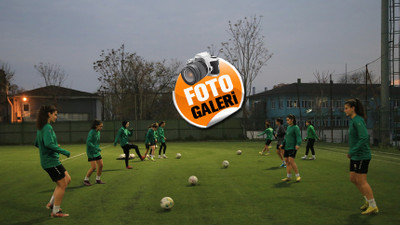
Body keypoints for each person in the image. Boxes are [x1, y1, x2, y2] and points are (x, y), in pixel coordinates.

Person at [34, 105, 71, 218]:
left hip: (52, 161)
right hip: (50, 162)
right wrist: (63, 151)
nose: (56, 117)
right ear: (49, 114)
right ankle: (55, 212)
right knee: (62, 184)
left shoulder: (42, 127)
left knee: (67, 179)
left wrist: (53, 146)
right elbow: (48, 144)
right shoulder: (47, 128)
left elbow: (37, 143)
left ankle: (51, 204)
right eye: (55, 114)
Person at [344, 98, 378, 215]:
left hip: (362, 155)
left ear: (353, 108)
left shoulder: (358, 120)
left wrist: (352, 151)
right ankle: (368, 201)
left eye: (346, 108)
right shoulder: (353, 121)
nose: (345, 110)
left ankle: (373, 205)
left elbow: (364, 138)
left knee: (361, 180)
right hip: (355, 156)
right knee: (353, 179)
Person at [280, 114, 301, 182]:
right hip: (287, 147)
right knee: (287, 161)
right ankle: (288, 177)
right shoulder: (288, 127)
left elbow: (298, 137)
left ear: (292, 120)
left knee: (291, 161)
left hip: (293, 147)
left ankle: (298, 176)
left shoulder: (296, 127)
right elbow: (286, 137)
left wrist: (298, 144)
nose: (287, 121)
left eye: (288, 120)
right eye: (287, 120)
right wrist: (283, 143)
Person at [84, 120, 105, 186]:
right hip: (91, 152)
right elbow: (88, 142)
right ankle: (86, 180)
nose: (101, 128)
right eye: (100, 126)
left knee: (101, 165)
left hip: (96, 151)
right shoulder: (91, 132)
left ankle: (98, 179)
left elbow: (97, 142)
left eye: (102, 126)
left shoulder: (98, 132)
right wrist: (95, 148)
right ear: (96, 126)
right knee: (94, 167)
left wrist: (97, 148)